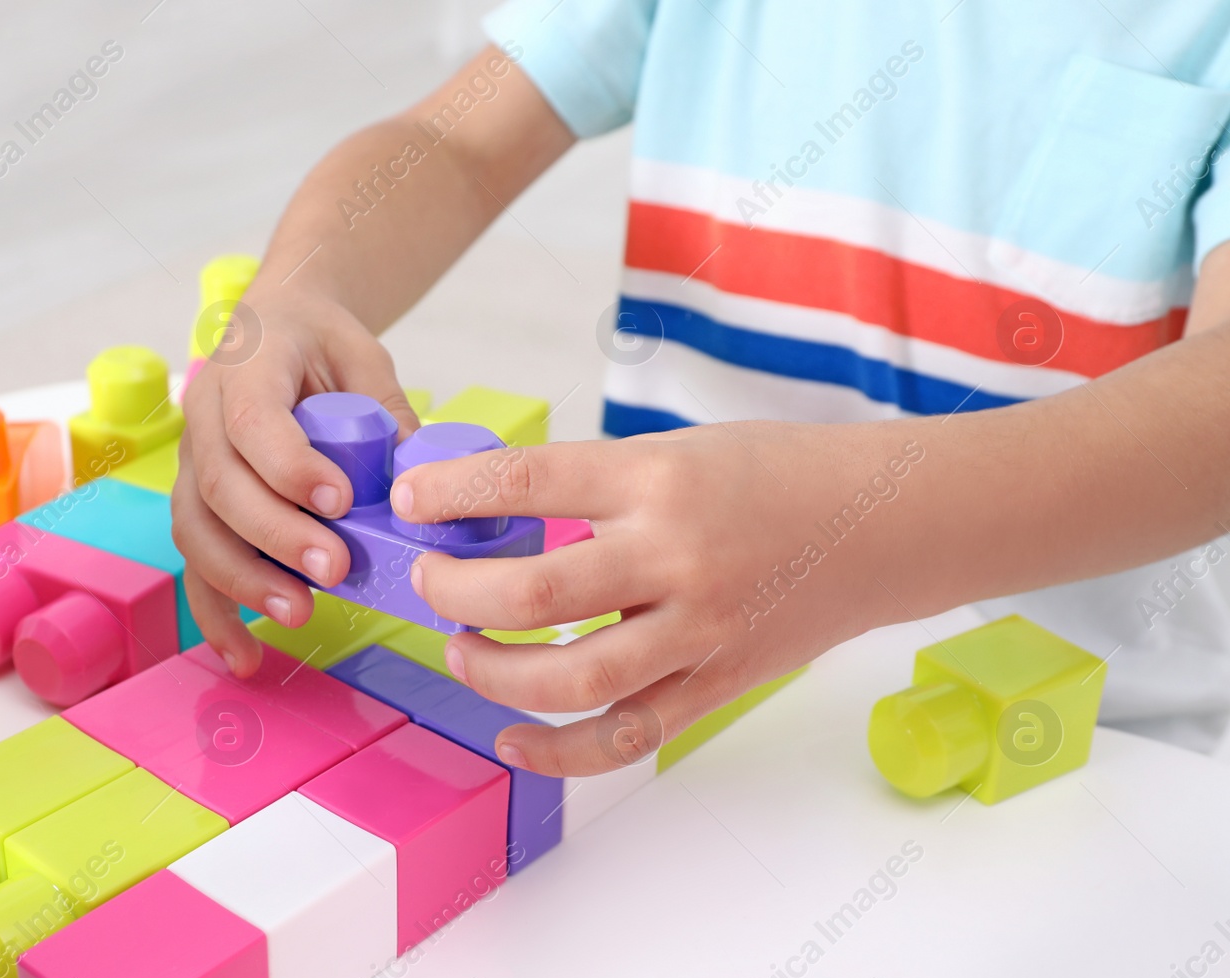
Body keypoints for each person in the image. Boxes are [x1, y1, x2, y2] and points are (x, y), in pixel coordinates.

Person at [172, 1, 1230, 777]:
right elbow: (452, 140)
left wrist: (857, 535)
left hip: (1084, 753)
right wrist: (300, 288)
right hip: (669, 696)